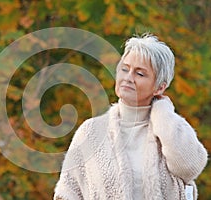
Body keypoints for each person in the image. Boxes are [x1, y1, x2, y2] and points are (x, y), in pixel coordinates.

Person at [53, 33, 208, 200]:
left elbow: (189, 167)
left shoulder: (174, 129)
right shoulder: (91, 132)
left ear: (159, 87)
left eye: (139, 74)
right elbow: (67, 192)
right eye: (125, 69)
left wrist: (163, 111)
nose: (128, 78)